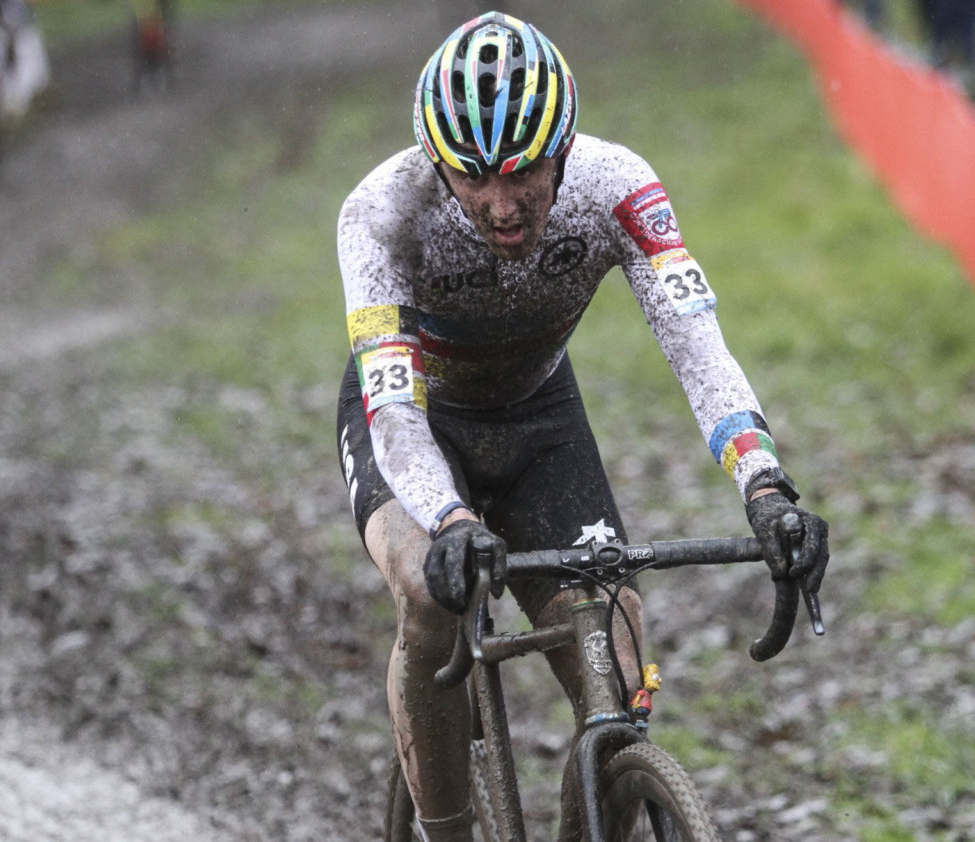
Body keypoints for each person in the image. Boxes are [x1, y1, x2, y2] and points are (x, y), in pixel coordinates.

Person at [334, 12, 831, 840]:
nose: (500, 205)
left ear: (564, 145)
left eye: (524, 173)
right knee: (428, 590)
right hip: (415, 422)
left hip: (537, 416)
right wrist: (451, 521)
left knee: (619, 662)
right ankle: (448, 830)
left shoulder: (618, 187)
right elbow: (392, 408)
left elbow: (695, 343)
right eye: (473, 177)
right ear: (438, 164)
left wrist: (767, 486)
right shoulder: (382, 214)